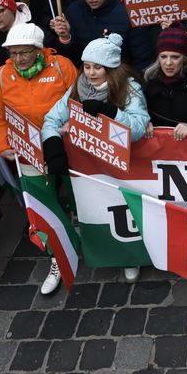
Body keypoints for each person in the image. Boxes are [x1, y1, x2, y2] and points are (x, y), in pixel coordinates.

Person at [42, 34, 149, 281]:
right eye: (87, 66)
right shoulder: (78, 88)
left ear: (110, 68)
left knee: (123, 213)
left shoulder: (129, 88)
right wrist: (53, 145)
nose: (90, 73)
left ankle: (130, 257)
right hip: (89, 165)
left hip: (119, 166)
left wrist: (109, 112)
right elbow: (51, 119)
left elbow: (139, 126)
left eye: (97, 67)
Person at [0, 23, 77, 295]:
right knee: (42, 207)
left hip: (65, 148)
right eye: (13, 53)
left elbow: (80, 100)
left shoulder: (61, 67)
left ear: (39, 50)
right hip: (27, 152)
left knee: (77, 194)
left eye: (24, 52)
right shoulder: (2, 76)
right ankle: (57, 257)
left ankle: (81, 231)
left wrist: (73, 124)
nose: (18, 59)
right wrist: (2, 145)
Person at [50, 0, 151, 70]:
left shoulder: (127, 14)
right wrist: (65, 38)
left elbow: (141, 59)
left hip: (119, 79)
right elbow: (67, 58)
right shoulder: (74, 11)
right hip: (83, 78)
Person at [143, 25, 187, 133]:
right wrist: (143, 121)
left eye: (175, 57)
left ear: (184, 59)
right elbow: (138, 111)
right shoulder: (147, 82)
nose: (168, 63)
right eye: (163, 56)